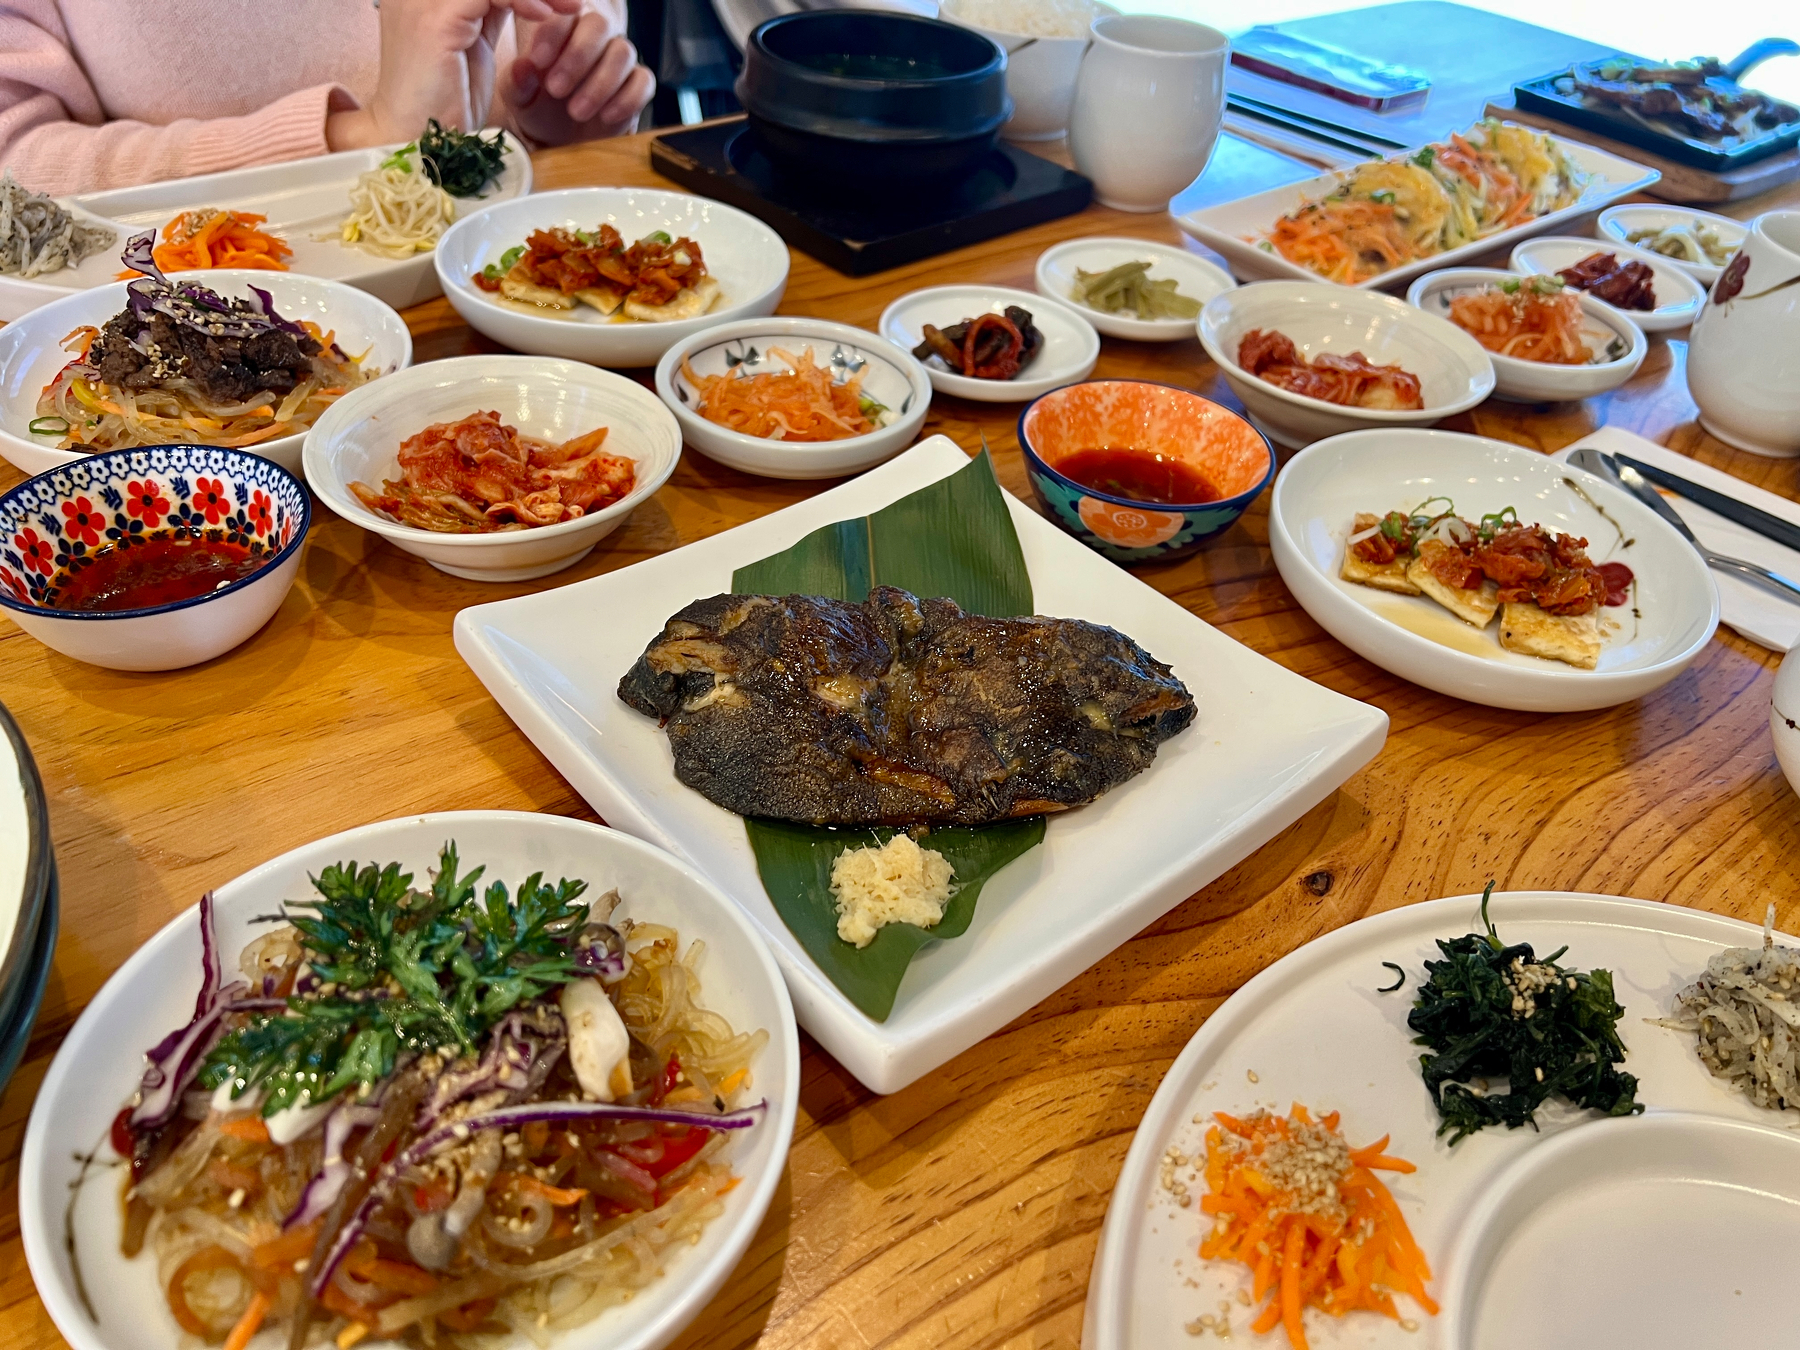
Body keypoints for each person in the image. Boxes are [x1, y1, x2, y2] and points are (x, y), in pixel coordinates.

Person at [0, 0, 656, 196]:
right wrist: (354, 140)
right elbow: (15, 155)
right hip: (195, 358)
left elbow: (581, 27)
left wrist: (559, 120)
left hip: (533, 298)